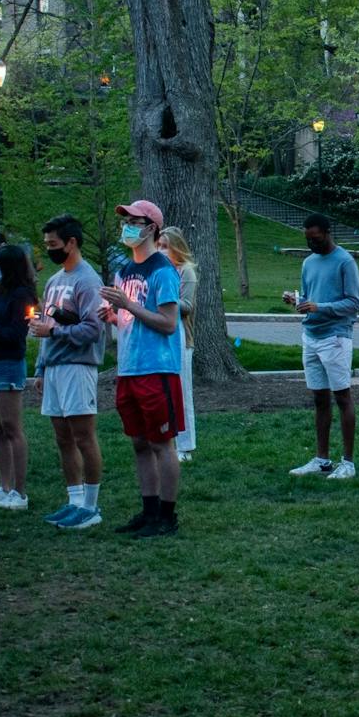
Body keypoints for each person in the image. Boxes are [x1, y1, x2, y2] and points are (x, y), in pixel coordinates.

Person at [102, 200, 183, 537]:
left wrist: (128, 305)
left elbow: (168, 323)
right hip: (129, 368)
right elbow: (127, 316)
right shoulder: (124, 271)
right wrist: (111, 313)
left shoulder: (163, 269)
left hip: (157, 368)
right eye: (125, 221)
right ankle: (148, 511)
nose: (127, 227)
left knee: (162, 442)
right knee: (139, 442)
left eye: (134, 221)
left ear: (151, 227)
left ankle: (167, 515)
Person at [30, 215, 106, 530]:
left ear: (71, 242)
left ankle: (91, 506)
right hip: (55, 367)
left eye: (53, 244)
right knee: (62, 437)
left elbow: (93, 329)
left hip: (78, 366)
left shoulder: (87, 281)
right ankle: (73, 500)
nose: (49, 250)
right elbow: (46, 325)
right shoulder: (54, 281)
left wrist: (54, 334)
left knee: (83, 436)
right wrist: (40, 367)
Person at [284, 214, 359, 479]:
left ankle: (348, 462)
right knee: (319, 397)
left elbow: (354, 303)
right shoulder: (308, 263)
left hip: (336, 336)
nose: (311, 244)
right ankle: (322, 459)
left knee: (342, 396)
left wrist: (320, 307)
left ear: (328, 233)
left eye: (315, 239)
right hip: (311, 334)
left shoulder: (345, 261)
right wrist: (297, 300)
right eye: (307, 239)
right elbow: (309, 297)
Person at [0, 244, 37, 511]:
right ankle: (4, 486)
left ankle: (20, 491)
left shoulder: (21, 295)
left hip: (9, 364)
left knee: (12, 427)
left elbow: (15, 334)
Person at [159, 226, 199, 462]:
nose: (161, 250)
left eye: (165, 246)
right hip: (160, 338)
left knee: (182, 392)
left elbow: (187, 306)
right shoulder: (158, 272)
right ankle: (167, 440)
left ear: (176, 248)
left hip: (182, 339)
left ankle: (185, 446)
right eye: (159, 246)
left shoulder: (186, 272)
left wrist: (165, 296)